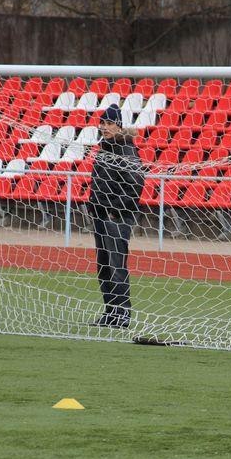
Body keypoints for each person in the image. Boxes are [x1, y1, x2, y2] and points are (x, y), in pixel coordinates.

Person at [88, 104, 144, 329]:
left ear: (119, 125)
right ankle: (110, 312)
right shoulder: (105, 148)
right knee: (104, 266)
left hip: (116, 217)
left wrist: (113, 209)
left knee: (117, 265)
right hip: (101, 215)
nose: (104, 127)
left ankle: (122, 314)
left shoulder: (126, 150)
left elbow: (135, 186)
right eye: (102, 123)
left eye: (109, 123)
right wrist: (94, 205)